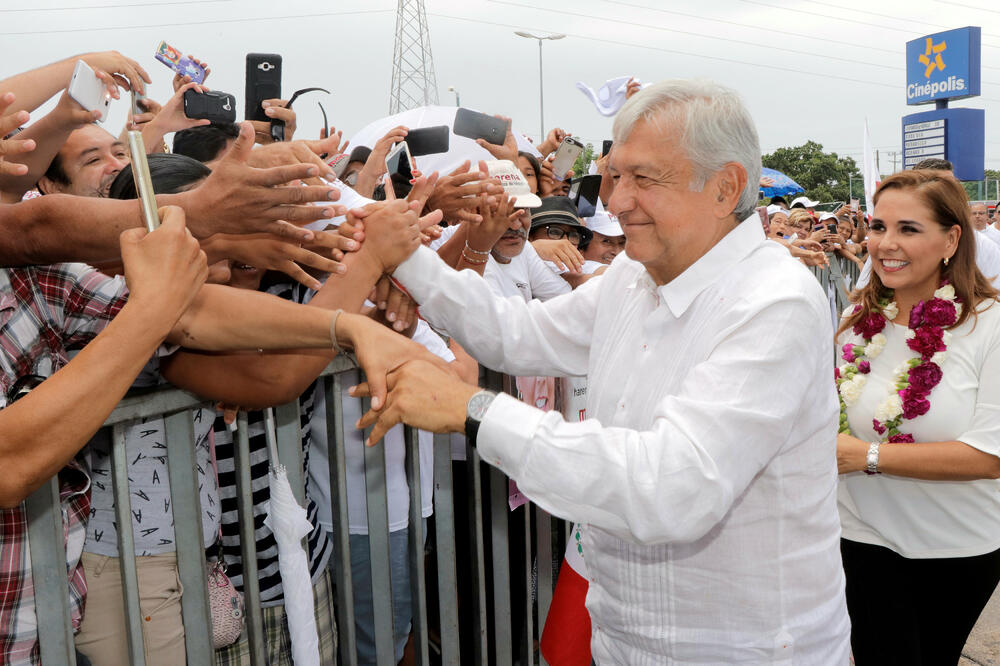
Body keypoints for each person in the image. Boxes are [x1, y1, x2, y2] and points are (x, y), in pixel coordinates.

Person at [345, 79, 851, 662]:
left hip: (744, 648)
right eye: (615, 175)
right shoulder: (633, 278)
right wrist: (403, 255)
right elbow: (517, 333)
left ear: (726, 187)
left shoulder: (773, 301)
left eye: (644, 179)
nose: (614, 201)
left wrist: (473, 410)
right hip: (620, 637)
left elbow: (674, 487)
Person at [834, 169, 1000, 664]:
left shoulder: (989, 326)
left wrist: (864, 456)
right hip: (859, 534)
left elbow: (990, 456)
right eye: (878, 226)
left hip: (957, 546)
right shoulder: (855, 325)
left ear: (952, 238)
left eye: (908, 229)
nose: (886, 243)